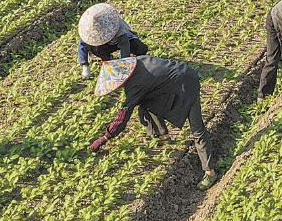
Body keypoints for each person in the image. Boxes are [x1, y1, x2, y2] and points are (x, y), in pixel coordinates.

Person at [89, 55, 219, 189]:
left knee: (197, 129)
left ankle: (210, 172)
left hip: (188, 84)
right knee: (146, 102)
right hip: (179, 77)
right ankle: (162, 135)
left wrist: (105, 137)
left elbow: (123, 116)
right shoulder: (139, 61)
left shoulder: (135, 85)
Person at [77, 3, 148, 81]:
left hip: (118, 41)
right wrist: (85, 66)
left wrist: (123, 64)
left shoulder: (116, 26)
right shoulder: (88, 30)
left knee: (140, 48)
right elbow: (82, 45)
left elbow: (125, 45)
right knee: (96, 48)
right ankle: (108, 60)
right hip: (103, 45)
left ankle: (138, 61)